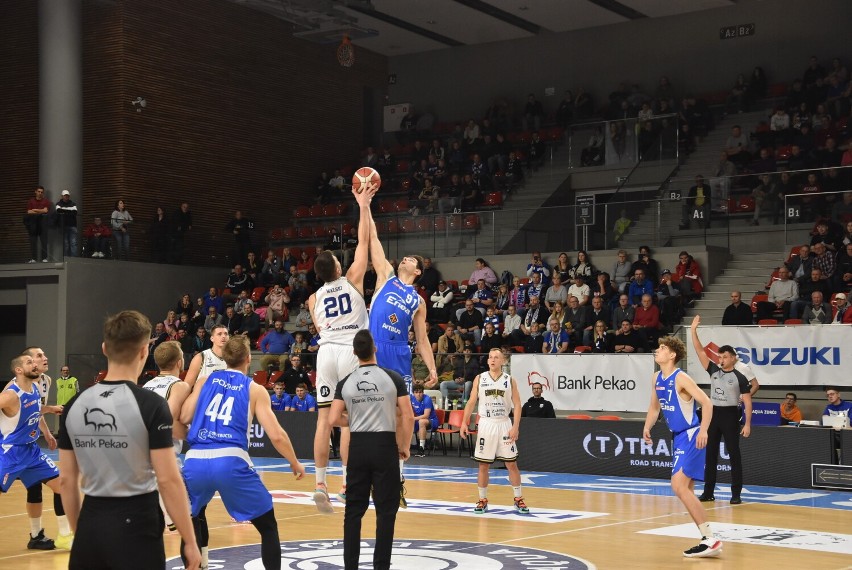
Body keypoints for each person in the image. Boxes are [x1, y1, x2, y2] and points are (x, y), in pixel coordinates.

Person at [57, 311, 199, 569]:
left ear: (104, 348)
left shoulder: (74, 405)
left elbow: (66, 481)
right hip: (137, 523)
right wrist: (189, 540)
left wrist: (82, 534)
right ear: (145, 351)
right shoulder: (151, 405)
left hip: (91, 520)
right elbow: (167, 480)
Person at [179, 335, 304, 570]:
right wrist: (295, 462)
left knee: (191, 523)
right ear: (249, 359)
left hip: (195, 458)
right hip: (230, 459)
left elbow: (184, 416)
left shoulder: (205, 380)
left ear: (224, 358)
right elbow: (276, 435)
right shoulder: (255, 389)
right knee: (268, 527)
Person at [307, 185, 373, 514]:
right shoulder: (352, 279)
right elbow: (364, 243)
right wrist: (363, 204)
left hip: (326, 352)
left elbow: (321, 329)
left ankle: (320, 483)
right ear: (336, 268)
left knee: (323, 422)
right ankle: (347, 482)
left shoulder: (312, 298)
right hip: (350, 352)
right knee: (352, 419)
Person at [328, 329, 413, 570]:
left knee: (353, 511)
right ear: (375, 349)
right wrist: (404, 446)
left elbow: (333, 419)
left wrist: (353, 420)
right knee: (386, 511)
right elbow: (408, 416)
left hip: (359, 446)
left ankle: (351, 566)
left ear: (355, 353)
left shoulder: (345, 382)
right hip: (385, 446)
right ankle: (380, 566)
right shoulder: (393, 378)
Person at [642, 333, 721, 558]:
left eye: (662, 348)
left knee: (678, 486)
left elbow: (707, 402)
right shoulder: (656, 377)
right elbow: (654, 407)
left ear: (672, 354)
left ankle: (710, 539)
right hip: (678, 437)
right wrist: (648, 426)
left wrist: (704, 430)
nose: (657, 351)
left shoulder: (681, 378)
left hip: (692, 434)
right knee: (686, 490)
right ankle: (706, 537)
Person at [2, 353, 73, 551]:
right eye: (30, 361)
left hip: (31, 451)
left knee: (62, 485)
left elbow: (33, 408)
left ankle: (63, 536)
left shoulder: (35, 387)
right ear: (18, 370)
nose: (36, 364)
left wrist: (49, 412)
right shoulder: (10, 393)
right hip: (11, 452)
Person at [690, 315, 752, 505]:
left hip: (730, 415)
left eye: (725, 356)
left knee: (734, 454)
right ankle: (708, 491)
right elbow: (700, 351)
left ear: (733, 358)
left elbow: (748, 402)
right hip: (713, 414)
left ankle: (736, 494)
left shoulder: (740, 377)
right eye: (720, 356)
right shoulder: (713, 371)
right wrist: (693, 330)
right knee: (710, 454)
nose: (721, 359)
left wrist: (747, 423)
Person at [460, 348, 529, 515]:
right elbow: (471, 401)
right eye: (490, 357)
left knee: (511, 463)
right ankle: (482, 500)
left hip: (504, 423)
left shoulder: (509, 380)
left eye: (496, 357)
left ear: (503, 361)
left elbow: (518, 404)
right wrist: (464, 422)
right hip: (486, 424)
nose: (492, 360)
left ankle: (518, 498)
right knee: (483, 464)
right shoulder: (480, 378)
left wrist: (516, 426)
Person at [143, 341, 192, 532]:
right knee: (188, 516)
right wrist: (193, 436)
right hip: (162, 451)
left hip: (141, 448)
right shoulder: (179, 385)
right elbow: (166, 421)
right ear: (180, 362)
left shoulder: (147, 385)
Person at [410, 383, 439, 457]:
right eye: (416, 392)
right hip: (417, 420)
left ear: (423, 392)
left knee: (421, 421)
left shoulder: (427, 399)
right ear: (413, 393)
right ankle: (402, 447)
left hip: (431, 421)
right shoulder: (411, 398)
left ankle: (421, 448)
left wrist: (412, 419)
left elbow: (426, 415)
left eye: (420, 392)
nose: (418, 394)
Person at [25, 186, 51, 263]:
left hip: (43, 222)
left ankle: (44, 258)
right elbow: (29, 212)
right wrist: (41, 211)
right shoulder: (31, 201)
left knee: (44, 241)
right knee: (33, 241)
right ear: (35, 192)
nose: (40, 193)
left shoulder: (46, 201)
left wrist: (35, 210)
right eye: (39, 191)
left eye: (41, 192)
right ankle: (34, 258)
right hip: (33, 223)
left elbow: (46, 211)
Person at [55, 189, 79, 258]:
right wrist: (70, 211)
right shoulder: (58, 203)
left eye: (67, 196)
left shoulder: (73, 203)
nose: (66, 197)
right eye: (65, 195)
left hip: (73, 225)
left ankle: (74, 259)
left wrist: (64, 211)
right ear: (62, 196)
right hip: (63, 225)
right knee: (66, 244)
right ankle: (66, 259)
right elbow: (58, 210)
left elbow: (75, 212)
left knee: (73, 243)